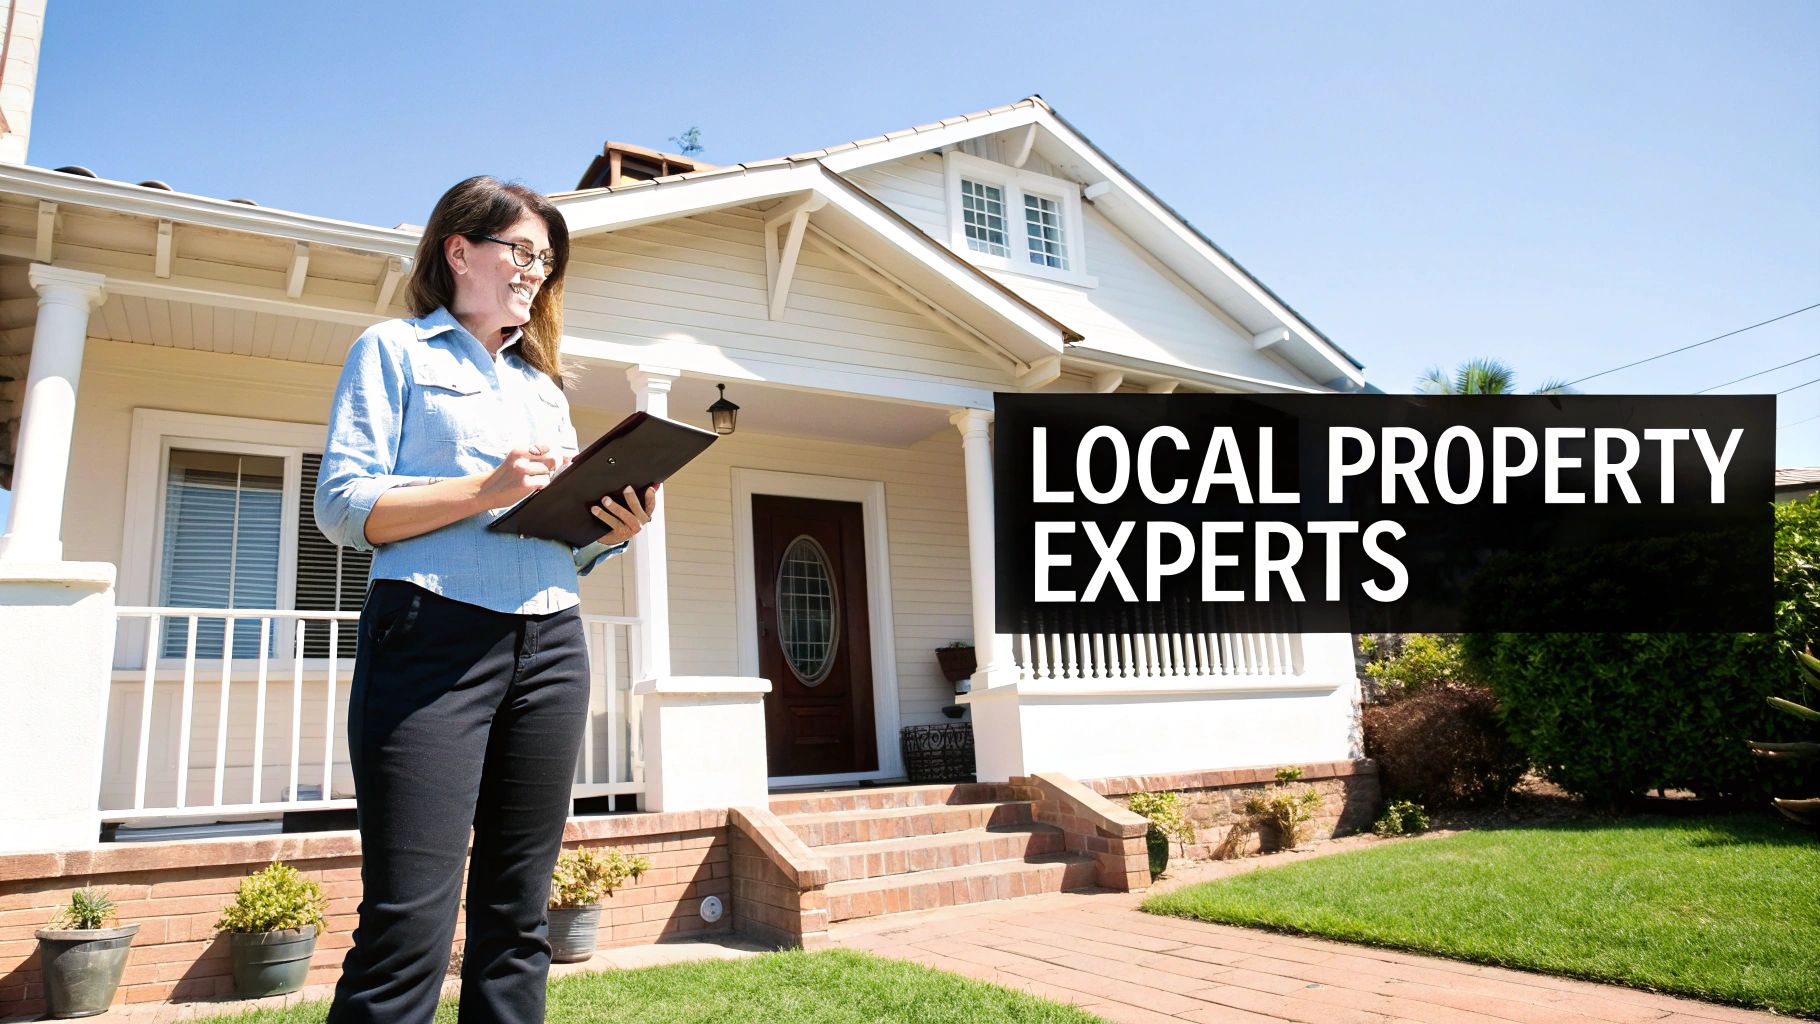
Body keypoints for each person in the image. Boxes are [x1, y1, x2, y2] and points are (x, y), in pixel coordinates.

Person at [313, 175, 656, 1024]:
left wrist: (613, 524)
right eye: (521, 251)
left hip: (549, 643)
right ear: (458, 250)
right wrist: (480, 490)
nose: (536, 270)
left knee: (518, 918)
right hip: (431, 635)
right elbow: (343, 508)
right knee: (408, 925)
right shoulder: (394, 351)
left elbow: (564, 543)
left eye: (547, 258)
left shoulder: (544, 389)